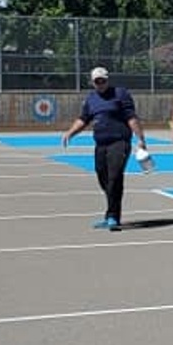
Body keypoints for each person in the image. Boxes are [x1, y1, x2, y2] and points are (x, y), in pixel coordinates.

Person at [61, 66, 148, 230]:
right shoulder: (91, 99)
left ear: (108, 80)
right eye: (97, 81)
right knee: (103, 178)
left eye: (103, 80)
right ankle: (111, 213)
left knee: (115, 177)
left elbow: (131, 118)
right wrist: (70, 133)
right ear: (93, 82)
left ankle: (113, 216)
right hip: (101, 144)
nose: (100, 83)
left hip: (119, 142)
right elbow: (83, 119)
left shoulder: (120, 94)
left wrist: (140, 139)